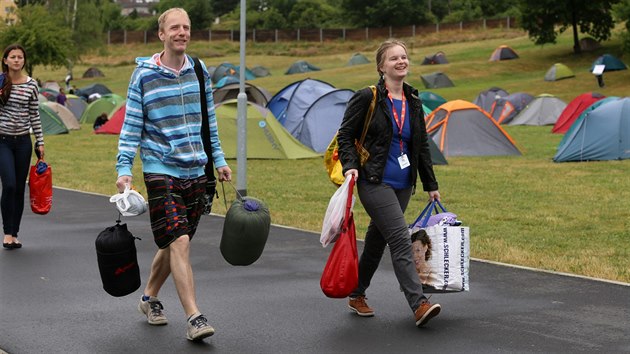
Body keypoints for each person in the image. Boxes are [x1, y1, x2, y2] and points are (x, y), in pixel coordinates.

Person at [115, 7, 231, 342]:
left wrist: (218, 159)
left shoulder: (198, 69)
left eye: (186, 27)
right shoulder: (144, 76)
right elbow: (131, 126)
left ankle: (149, 298)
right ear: (162, 34)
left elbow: (208, 121)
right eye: (175, 28)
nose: (182, 32)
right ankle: (194, 317)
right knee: (178, 240)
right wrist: (124, 168)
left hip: (195, 168)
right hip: (159, 167)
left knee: (173, 240)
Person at [337, 39, 442, 327]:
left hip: (403, 184)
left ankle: (357, 293)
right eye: (394, 58)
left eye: (404, 57)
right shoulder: (367, 97)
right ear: (381, 66)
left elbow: (421, 147)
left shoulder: (414, 101)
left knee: (377, 240)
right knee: (398, 238)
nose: (401, 61)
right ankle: (419, 303)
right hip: (373, 181)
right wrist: (350, 167)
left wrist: (430, 184)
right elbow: (345, 135)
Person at [0, 44, 45, 250]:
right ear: (6, 60)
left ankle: (14, 234)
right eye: (13, 57)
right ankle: (6, 232)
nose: (17, 60)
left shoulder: (31, 85)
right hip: (3, 141)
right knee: (8, 185)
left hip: (23, 142)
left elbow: (34, 114)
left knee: (18, 188)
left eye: (20, 57)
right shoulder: (0, 82)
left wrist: (40, 141)